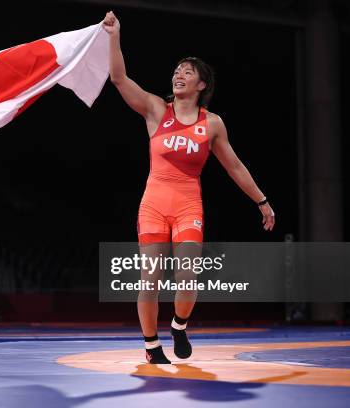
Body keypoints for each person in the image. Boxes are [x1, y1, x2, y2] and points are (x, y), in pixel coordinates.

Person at [103, 12, 275, 364]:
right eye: (177, 70)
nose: (179, 75)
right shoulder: (155, 109)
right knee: (148, 278)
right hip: (153, 202)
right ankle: (152, 346)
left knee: (187, 273)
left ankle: (179, 324)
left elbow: (235, 166)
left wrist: (262, 201)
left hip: (187, 204)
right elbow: (118, 77)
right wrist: (114, 36)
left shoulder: (211, 124)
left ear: (201, 84)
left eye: (187, 71)